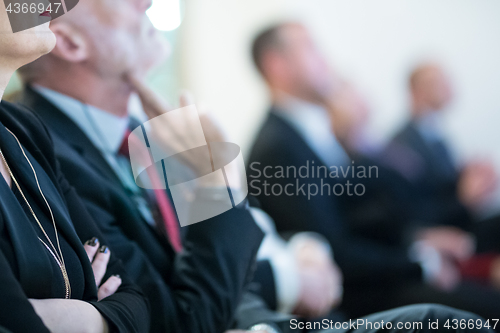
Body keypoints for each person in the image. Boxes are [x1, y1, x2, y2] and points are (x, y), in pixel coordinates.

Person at [247, 22, 500, 321]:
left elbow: (367, 216)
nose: (323, 58)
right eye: (309, 48)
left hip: (378, 274)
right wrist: (419, 264)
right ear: (277, 65)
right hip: (351, 297)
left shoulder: (307, 134)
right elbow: (332, 248)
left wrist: (416, 242)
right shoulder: (278, 146)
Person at [0, 3, 150, 332]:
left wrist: (78, 319)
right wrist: (211, 183)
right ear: (69, 43)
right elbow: (183, 316)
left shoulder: (23, 128)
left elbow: (137, 301)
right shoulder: (48, 134)